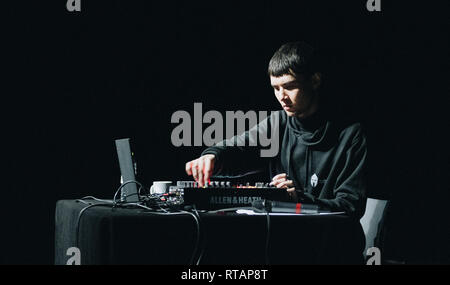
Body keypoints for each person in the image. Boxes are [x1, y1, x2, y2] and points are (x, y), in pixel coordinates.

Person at [185, 41, 367, 218]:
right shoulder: (278, 123)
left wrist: (299, 199)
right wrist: (213, 156)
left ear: (315, 81)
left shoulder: (350, 134)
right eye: (276, 88)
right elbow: (240, 149)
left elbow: (351, 205)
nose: (282, 97)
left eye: (289, 87)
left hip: (330, 240)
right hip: (284, 237)